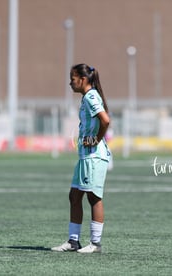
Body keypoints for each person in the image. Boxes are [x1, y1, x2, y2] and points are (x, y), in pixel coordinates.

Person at [51, 64, 111, 253]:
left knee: (93, 197)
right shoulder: (87, 97)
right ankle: (73, 241)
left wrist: (96, 139)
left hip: (93, 157)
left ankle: (95, 244)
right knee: (75, 196)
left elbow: (105, 120)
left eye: (73, 78)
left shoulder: (91, 96)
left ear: (83, 80)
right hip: (85, 157)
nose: (70, 82)